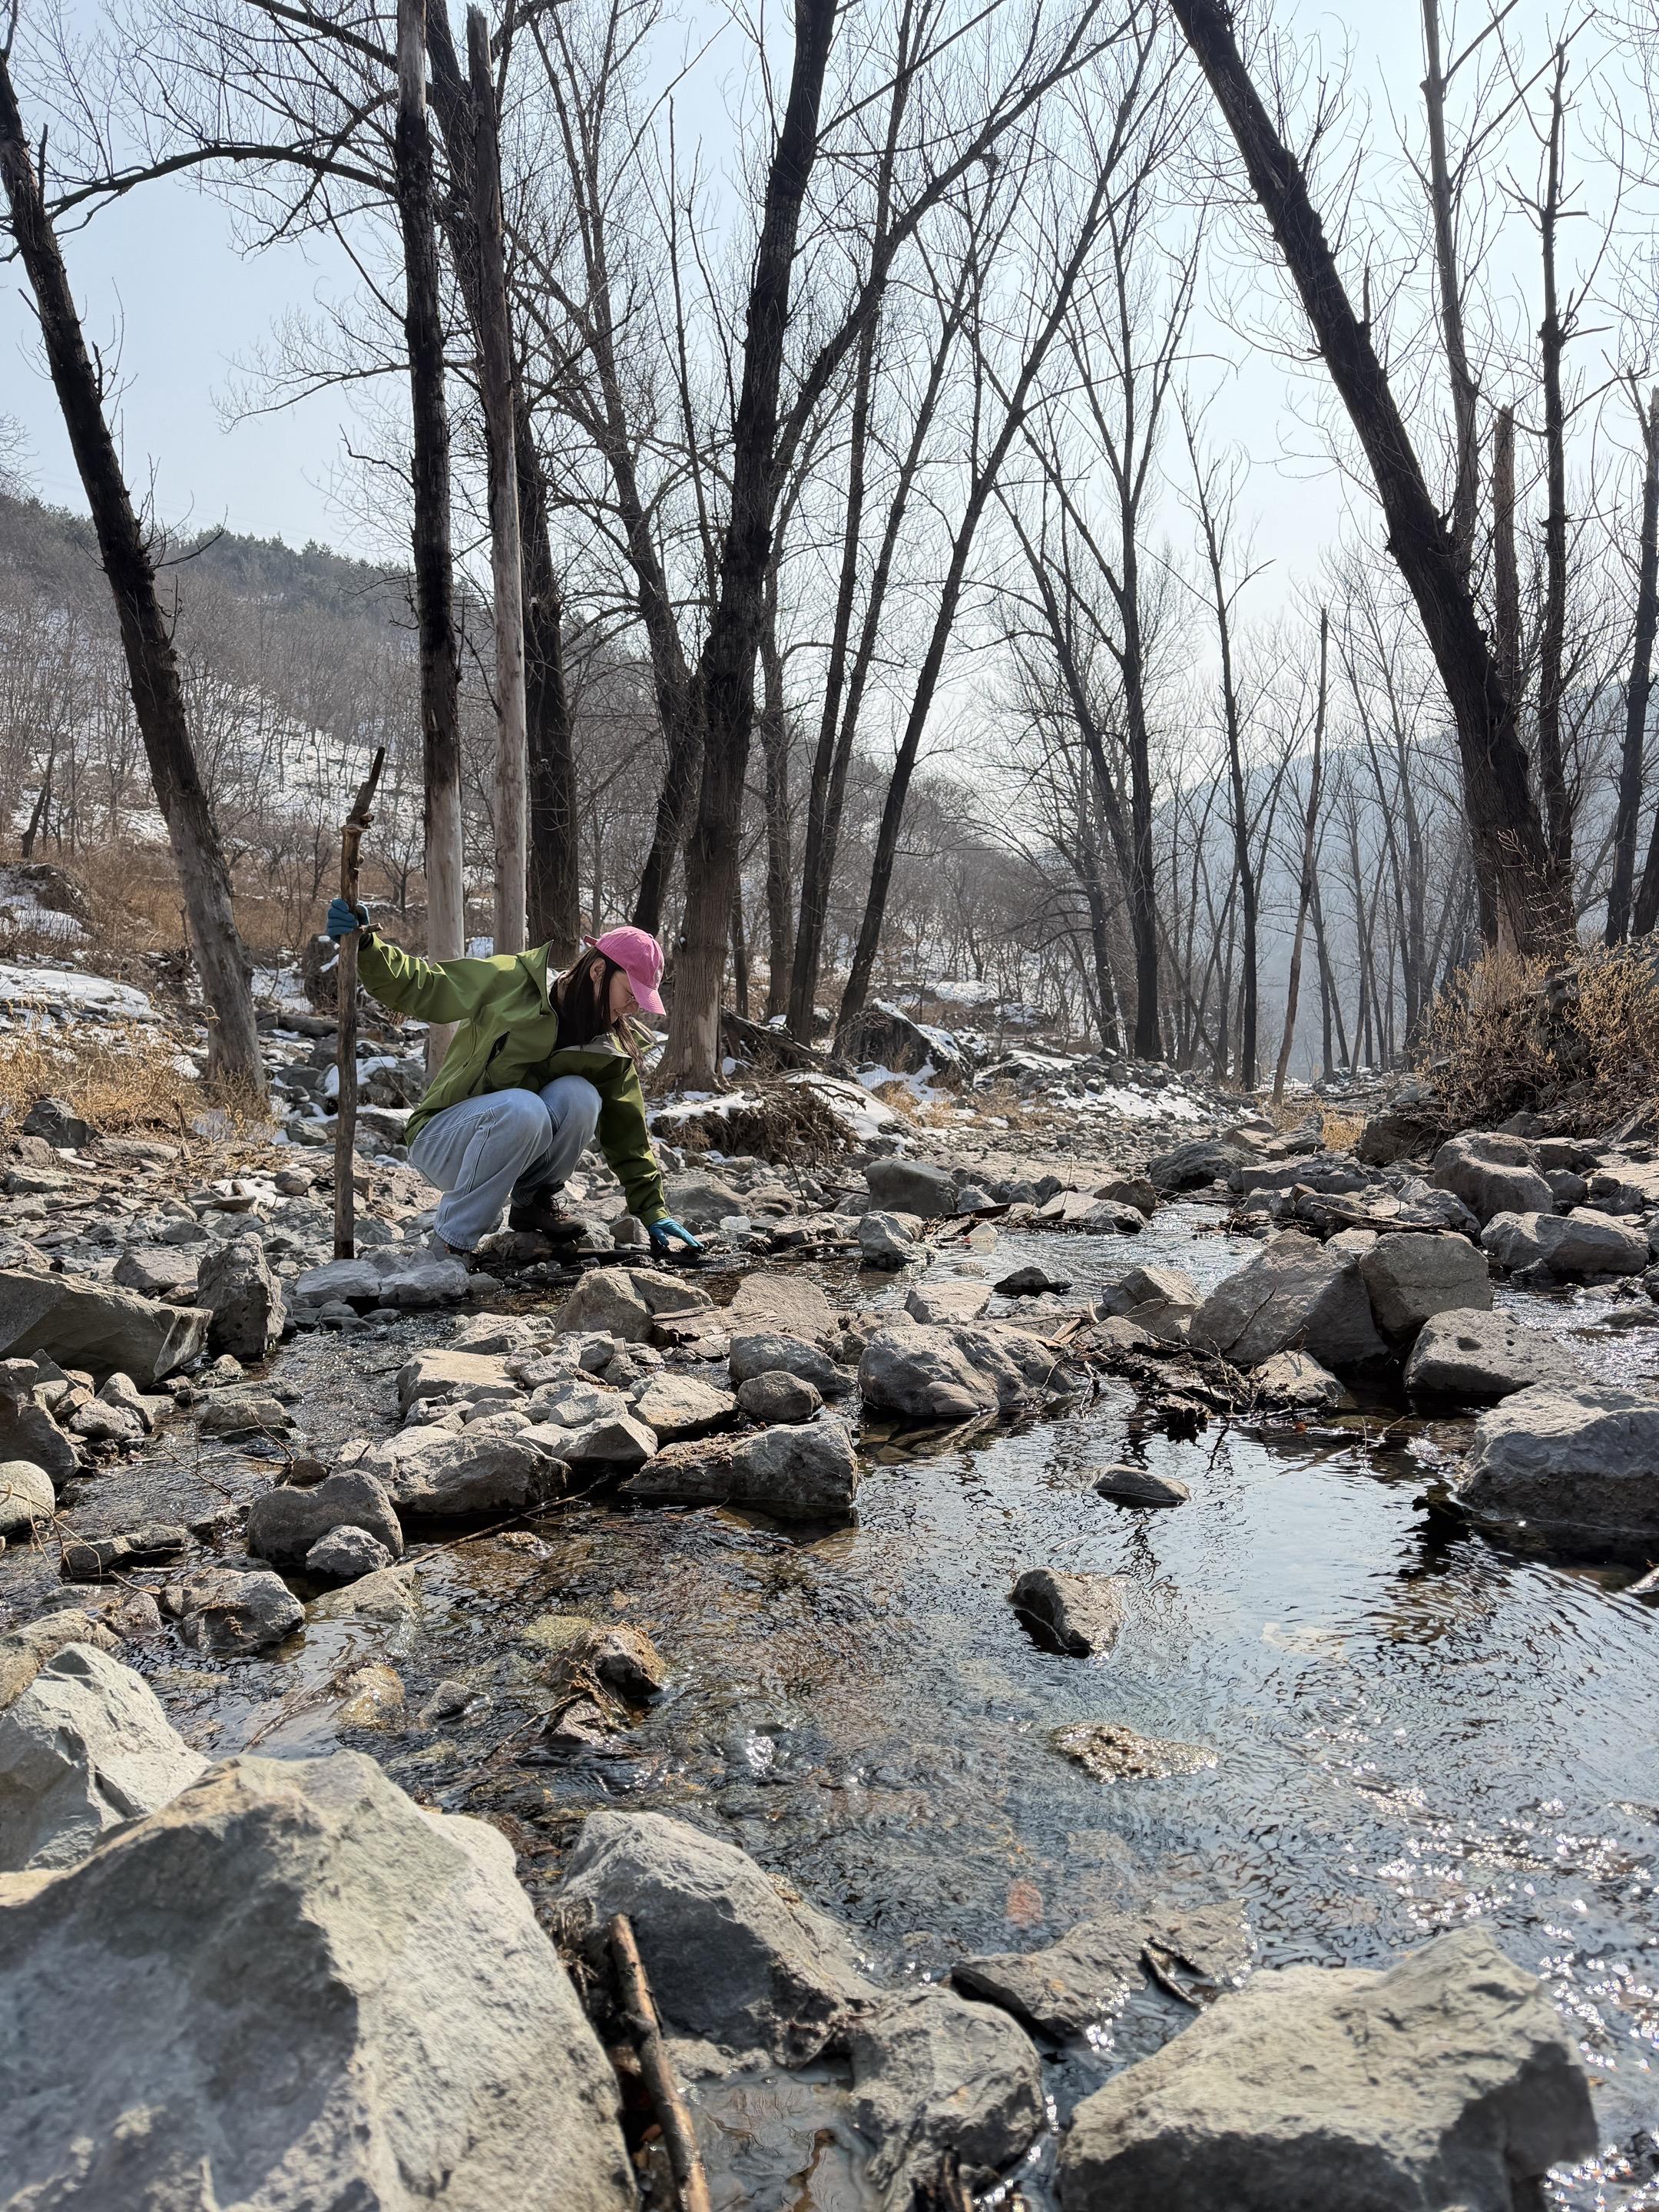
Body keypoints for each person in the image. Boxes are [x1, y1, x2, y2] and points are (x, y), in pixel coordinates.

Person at [323, 899, 701, 1260]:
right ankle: (452, 1241)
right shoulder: (515, 982)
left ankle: (533, 1203)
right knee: (525, 1107)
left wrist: (652, 1209)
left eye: (641, 1002)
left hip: (515, 1147)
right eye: (629, 994)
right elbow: (426, 987)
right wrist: (367, 946)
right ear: (599, 970)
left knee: (581, 1095)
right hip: (444, 1140)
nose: (632, 1009)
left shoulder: (609, 1050)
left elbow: (628, 1134)